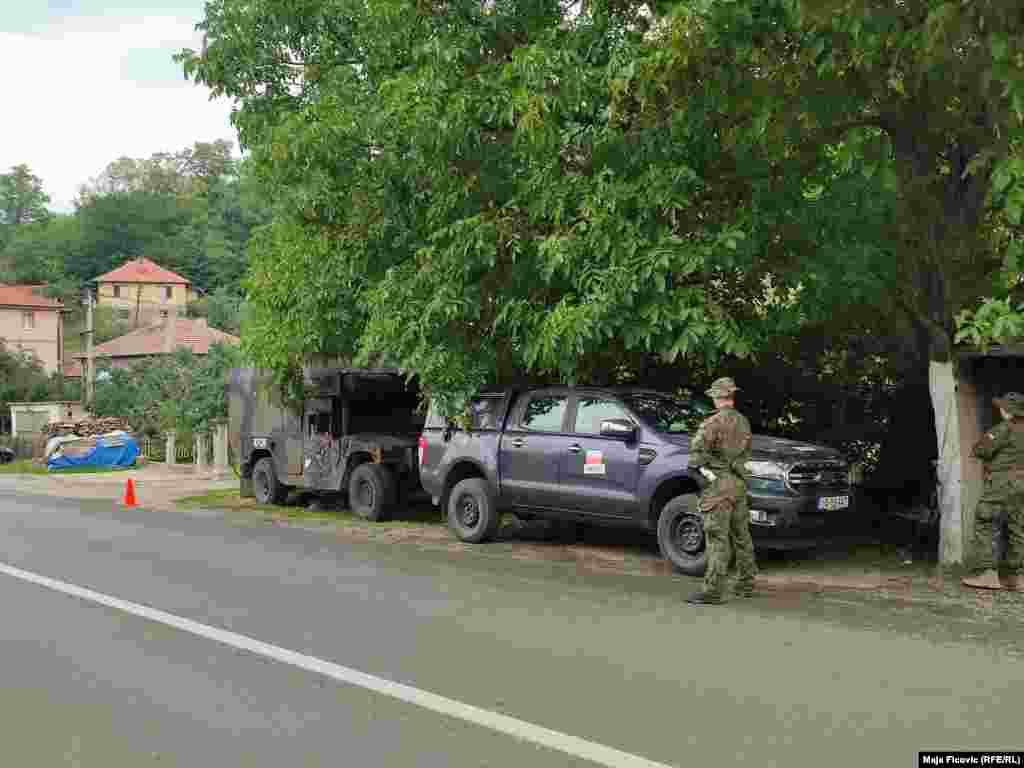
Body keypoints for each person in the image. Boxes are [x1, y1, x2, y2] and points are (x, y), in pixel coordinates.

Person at [686, 377, 758, 604]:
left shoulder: (712, 423)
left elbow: (696, 457)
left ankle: (712, 591)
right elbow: (745, 454)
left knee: (717, 538)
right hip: (738, 484)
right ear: (732, 397)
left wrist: (703, 475)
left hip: (718, 486)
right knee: (742, 536)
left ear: (717, 398)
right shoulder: (744, 422)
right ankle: (746, 584)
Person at [961, 392, 1024, 591]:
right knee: (1018, 526)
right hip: (1022, 483)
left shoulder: (1004, 428)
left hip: (1001, 482)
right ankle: (1018, 578)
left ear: (1007, 411)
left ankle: (988, 574)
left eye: (1002, 407)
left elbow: (981, 450)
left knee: (986, 522)